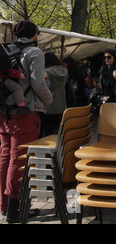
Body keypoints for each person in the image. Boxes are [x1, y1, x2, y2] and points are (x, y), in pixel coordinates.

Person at [0, 20, 53, 223]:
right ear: (34, 35)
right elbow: (38, 82)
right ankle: (15, 209)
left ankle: (4, 206)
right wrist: (49, 100)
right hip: (25, 111)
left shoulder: (6, 50)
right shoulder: (34, 53)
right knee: (18, 160)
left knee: (5, 157)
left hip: (4, 111)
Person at [40, 52, 68, 138]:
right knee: (60, 127)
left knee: (48, 128)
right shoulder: (65, 70)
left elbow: (44, 86)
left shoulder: (46, 72)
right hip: (62, 101)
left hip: (49, 102)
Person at [0, 38, 26, 109]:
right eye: (2, 44)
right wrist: (18, 74)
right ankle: (21, 106)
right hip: (3, 79)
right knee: (17, 88)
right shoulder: (2, 56)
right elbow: (7, 70)